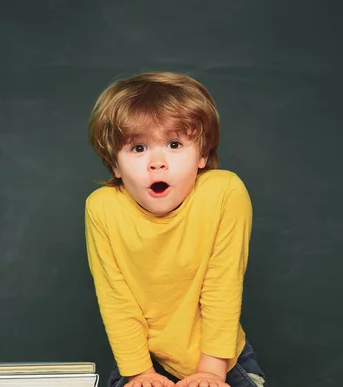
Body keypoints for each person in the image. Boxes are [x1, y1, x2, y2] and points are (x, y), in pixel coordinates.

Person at [84, 71, 266, 387]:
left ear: (203, 155)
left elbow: (222, 287)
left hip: (219, 357)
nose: (157, 162)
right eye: (138, 148)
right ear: (115, 164)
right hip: (141, 359)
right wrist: (140, 373)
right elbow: (117, 299)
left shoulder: (223, 192)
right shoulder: (102, 208)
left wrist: (210, 372)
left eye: (174, 144)